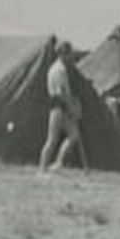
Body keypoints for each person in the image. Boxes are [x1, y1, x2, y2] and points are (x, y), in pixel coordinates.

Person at [39, 42, 86, 173]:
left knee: (73, 135)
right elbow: (61, 92)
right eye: (69, 53)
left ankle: (57, 163)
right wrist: (71, 108)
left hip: (60, 106)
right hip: (59, 105)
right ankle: (42, 169)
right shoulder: (59, 70)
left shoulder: (55, 68)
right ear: (63, 53)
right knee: (52, 139)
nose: (71, 56)